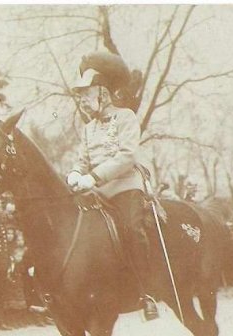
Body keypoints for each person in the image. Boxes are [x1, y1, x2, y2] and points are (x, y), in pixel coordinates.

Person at [66, 51, 158, 321]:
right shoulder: (88, 128)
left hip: (124, 187)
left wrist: (93, 177)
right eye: (81, 96)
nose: (83, 100)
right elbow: (82, 159)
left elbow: (127, 156)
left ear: (103, 93)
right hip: (95, 192)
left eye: (86, 94)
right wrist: (75, 172)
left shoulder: (126, 117)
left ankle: (147, 292)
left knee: (132, 229)